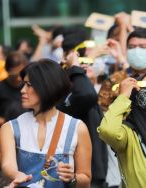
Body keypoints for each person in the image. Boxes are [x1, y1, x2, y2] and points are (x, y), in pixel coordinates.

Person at [0, 59, 92, 187]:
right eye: (23, 84)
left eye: (28, 85)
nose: (22, 90)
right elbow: (7, 166)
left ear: (46, 87)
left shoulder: (77, 128)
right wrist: (16, 175)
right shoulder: (11, 127)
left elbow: (86, 179)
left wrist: (73, 177)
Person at [58, 34, 108, 188]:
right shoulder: (71, 98)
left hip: (100, 175)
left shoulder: (102, 91)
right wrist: (75, 70)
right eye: (80, 64)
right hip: (81, 177)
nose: (85, 66)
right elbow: (86, 94)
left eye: (88, 63)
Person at [0, 52, 28, 139]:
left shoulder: (29, 85)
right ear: (7, 70)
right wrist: (9, 123)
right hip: (4, 135)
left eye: (22, 74)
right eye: (14, 75)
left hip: (26, 134)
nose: (19, 78)